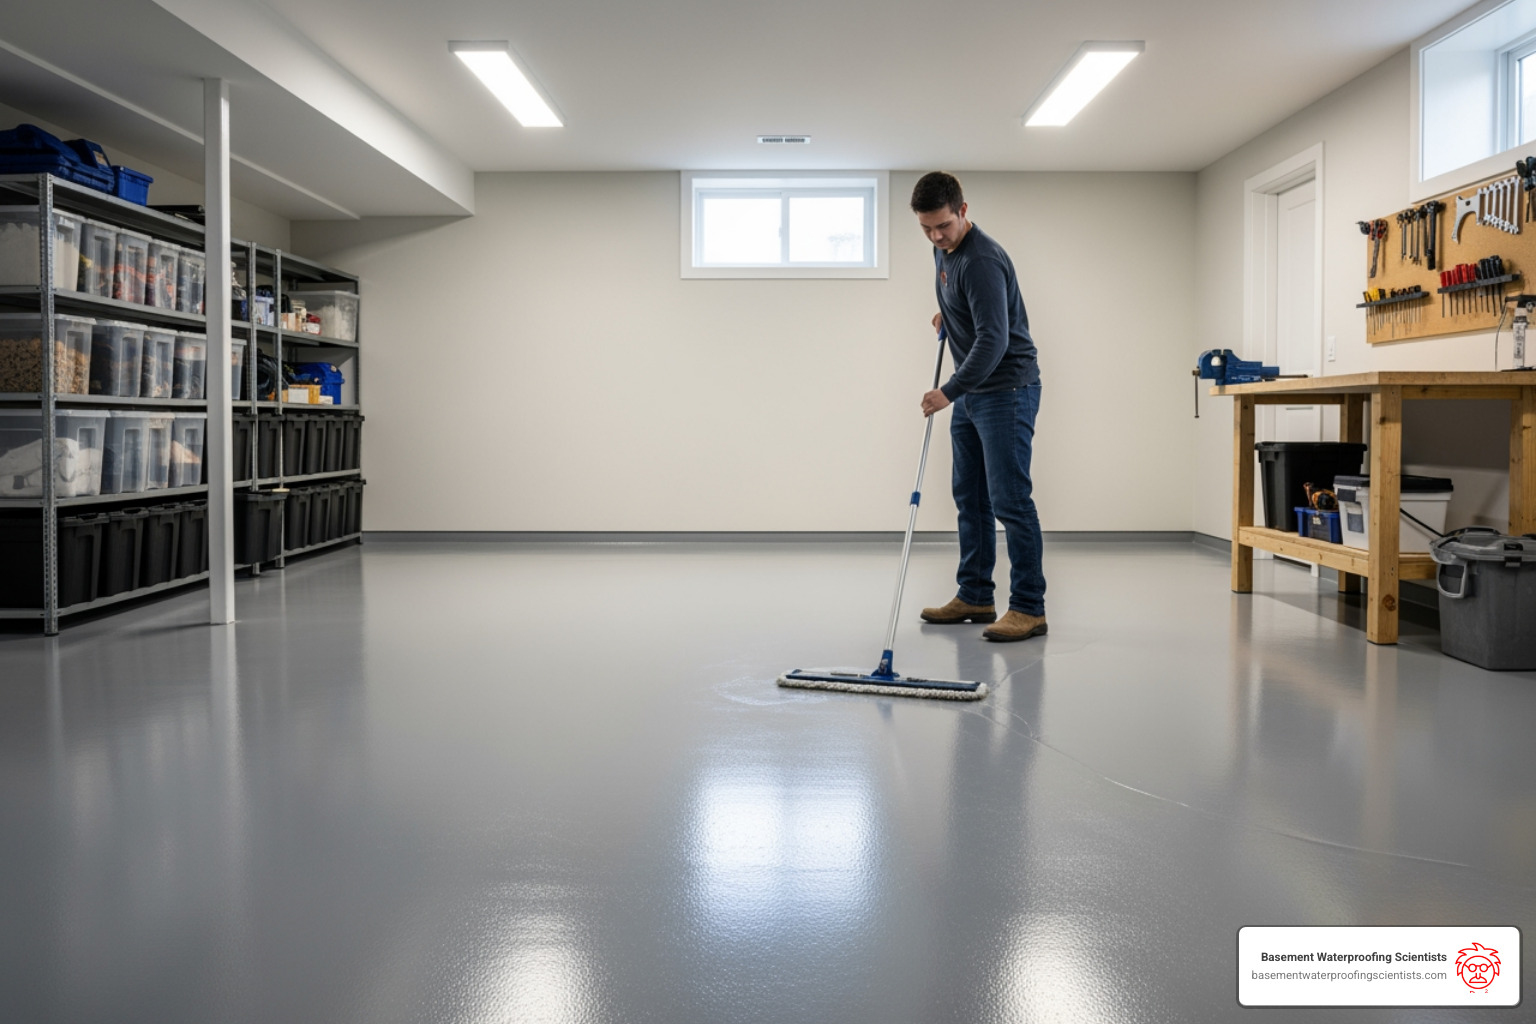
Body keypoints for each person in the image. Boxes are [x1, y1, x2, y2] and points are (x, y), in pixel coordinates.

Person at [910, 171, 1047, 642]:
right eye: (926, 228)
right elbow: (965, 301)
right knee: (970, 497)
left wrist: (948, 391)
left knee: (1009, 500)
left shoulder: (983, 259)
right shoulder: (942, 250)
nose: (935, 235)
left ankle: (1029, 608)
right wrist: (948, 311)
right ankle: (975, 595)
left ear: (963, 211)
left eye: (943, 226)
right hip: (974, 393)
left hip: (1006, 389)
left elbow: (994, 339)